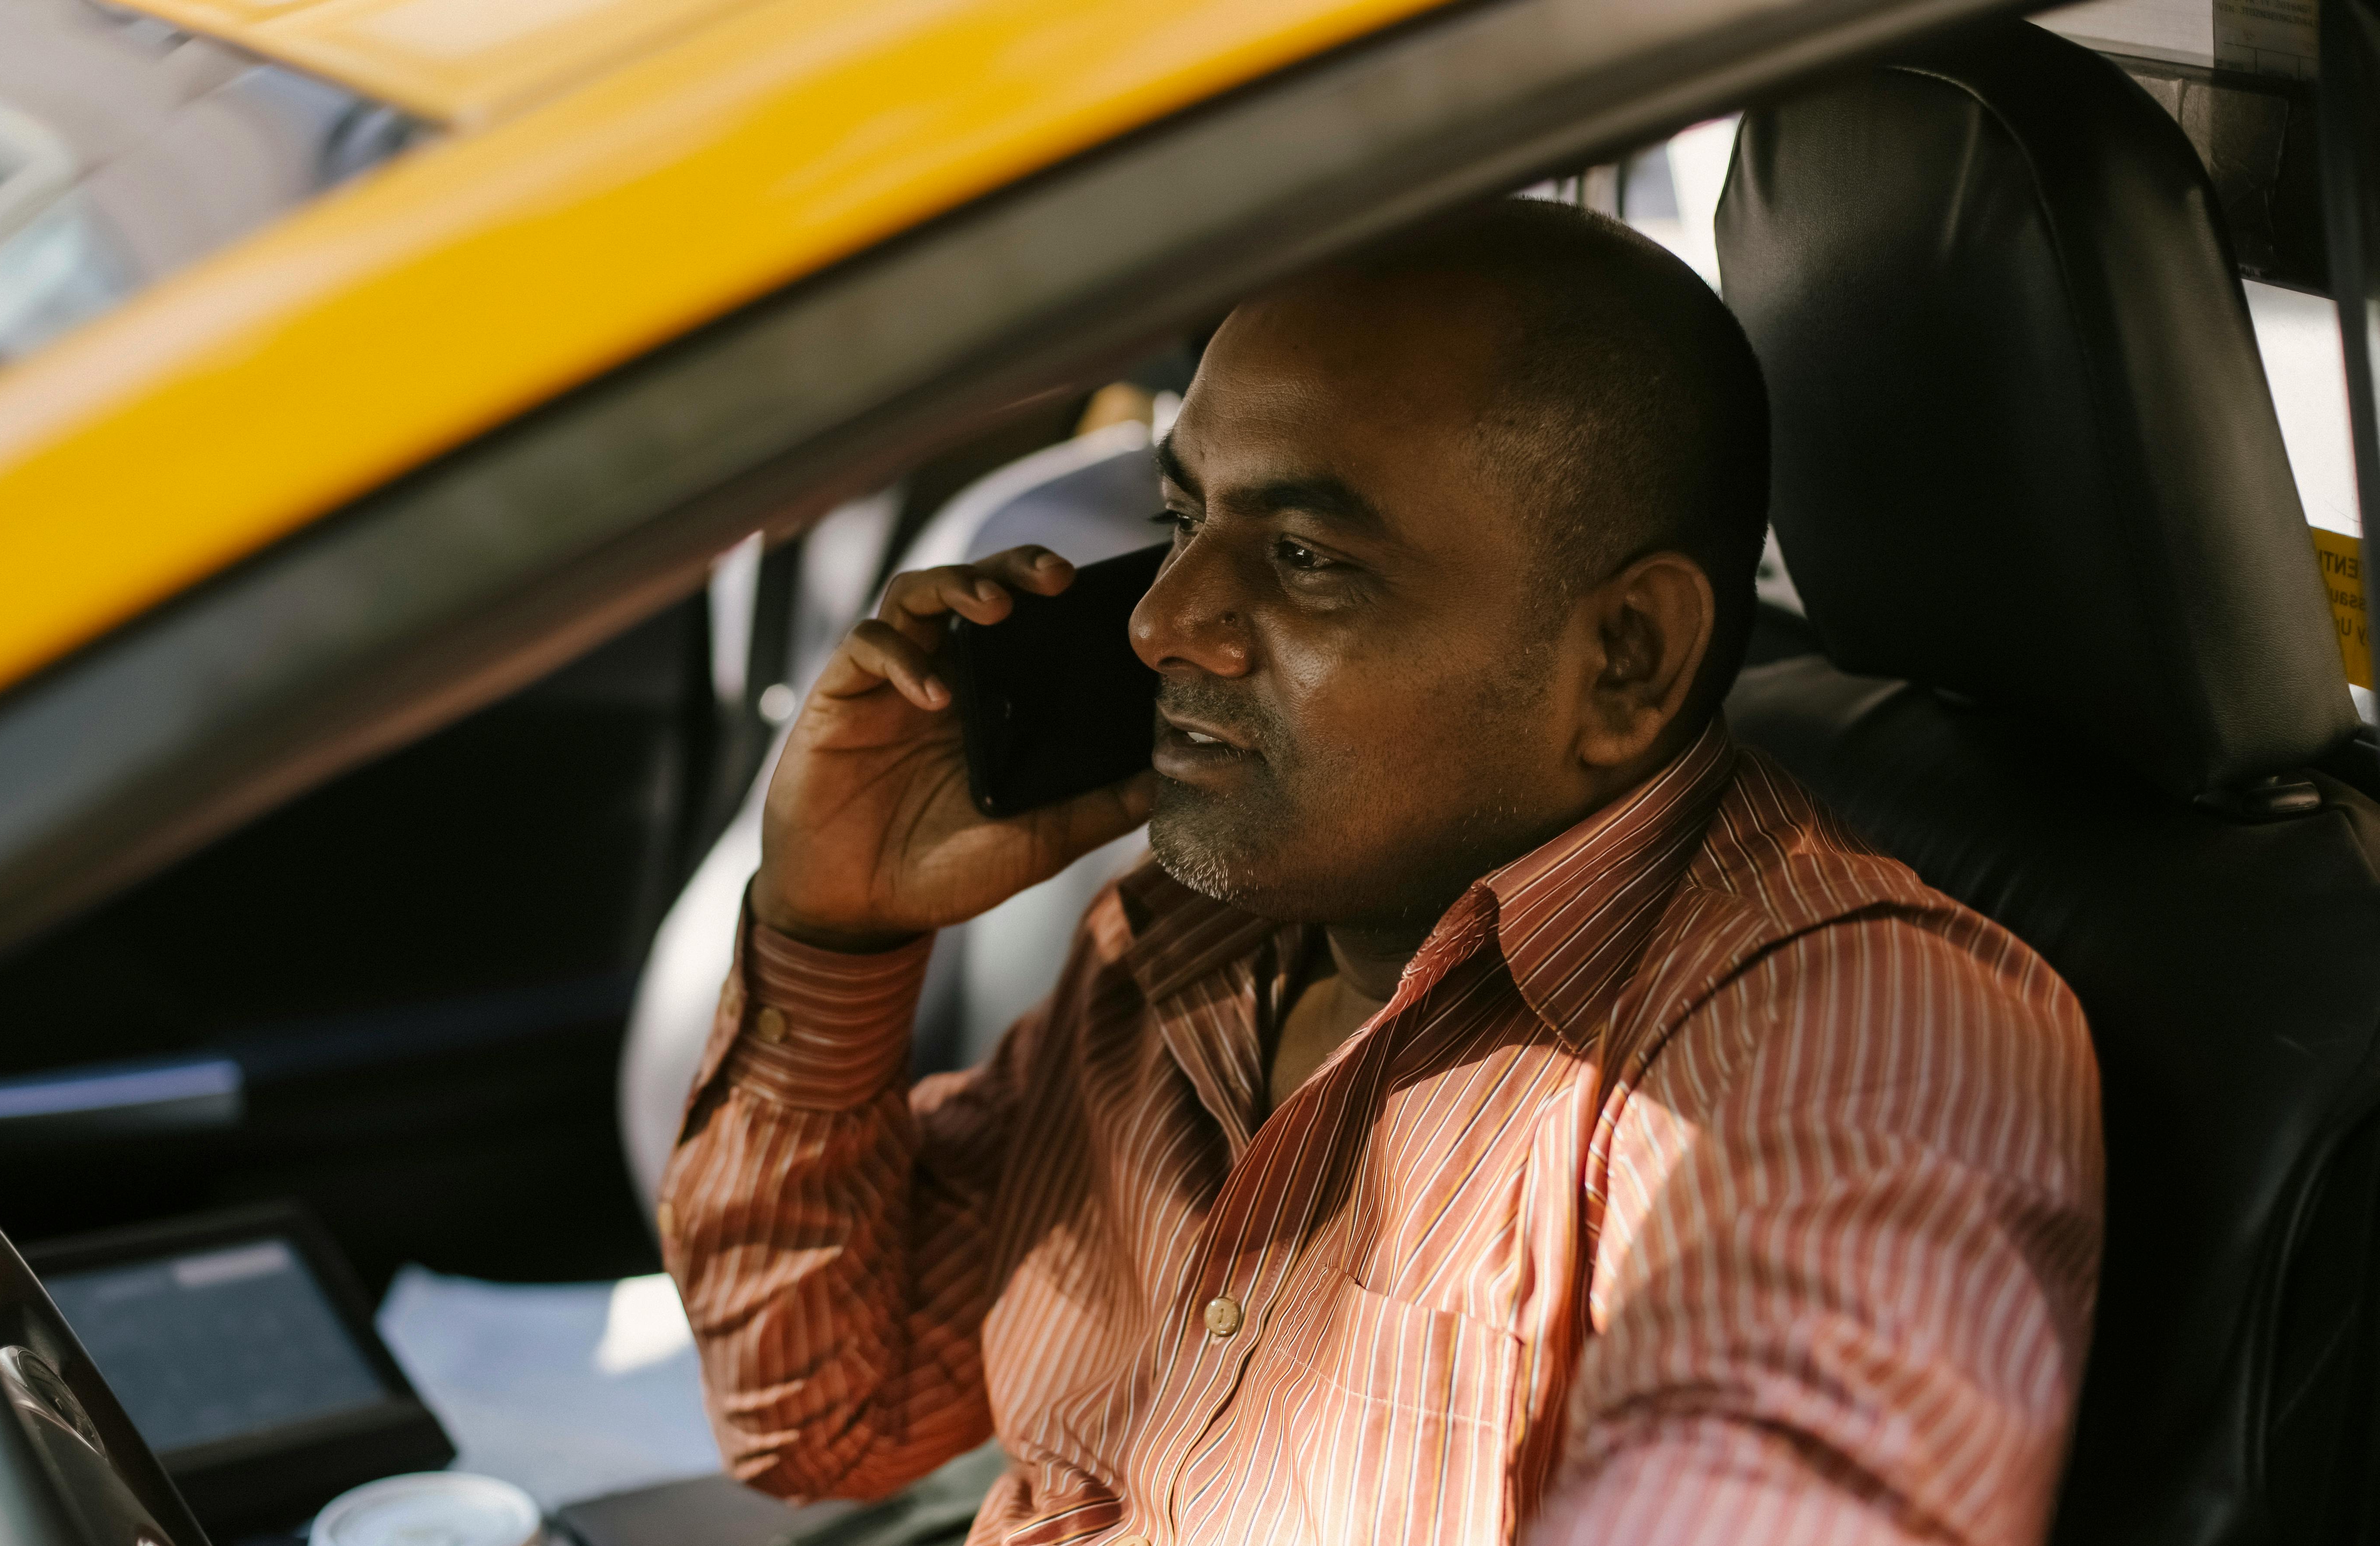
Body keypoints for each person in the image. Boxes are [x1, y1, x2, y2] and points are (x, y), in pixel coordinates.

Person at [656, 199, 2102, 1546]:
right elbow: (818, 1412)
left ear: (1626, 660)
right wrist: (830, 930)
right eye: (1182, 523)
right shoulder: (1184, 942)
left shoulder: (1834, 1045)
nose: (1161, 620)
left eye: (1305, 557)